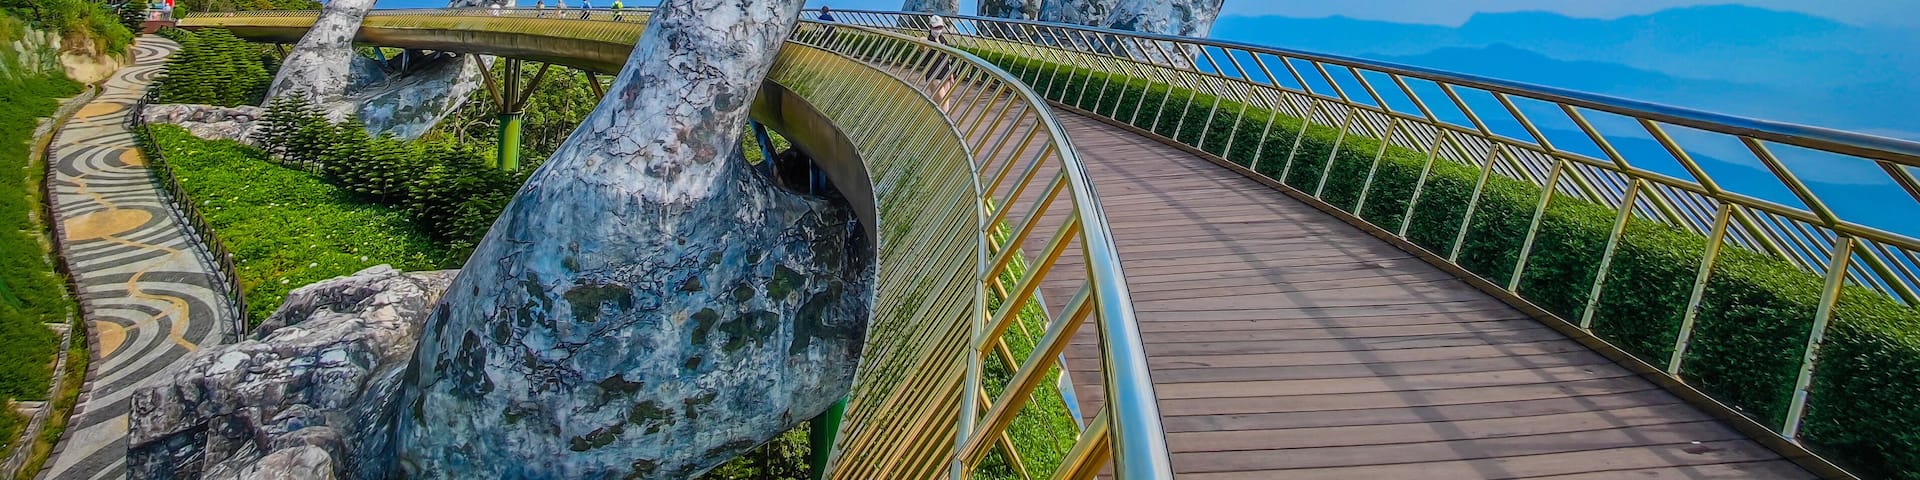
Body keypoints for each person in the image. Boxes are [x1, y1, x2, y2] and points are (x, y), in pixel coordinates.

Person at [925, 15, 956, 110]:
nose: (938, 30)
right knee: (941, 101)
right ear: (930, 27)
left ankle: (943, 122)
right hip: (934, 76)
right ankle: (944, 123)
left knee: (945, 102)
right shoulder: (928, 41)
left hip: (945, 74)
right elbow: (923, 51)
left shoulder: (943, 40)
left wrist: (951, 75)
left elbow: (947, 58)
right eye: (936, 27)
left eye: (940, 27)